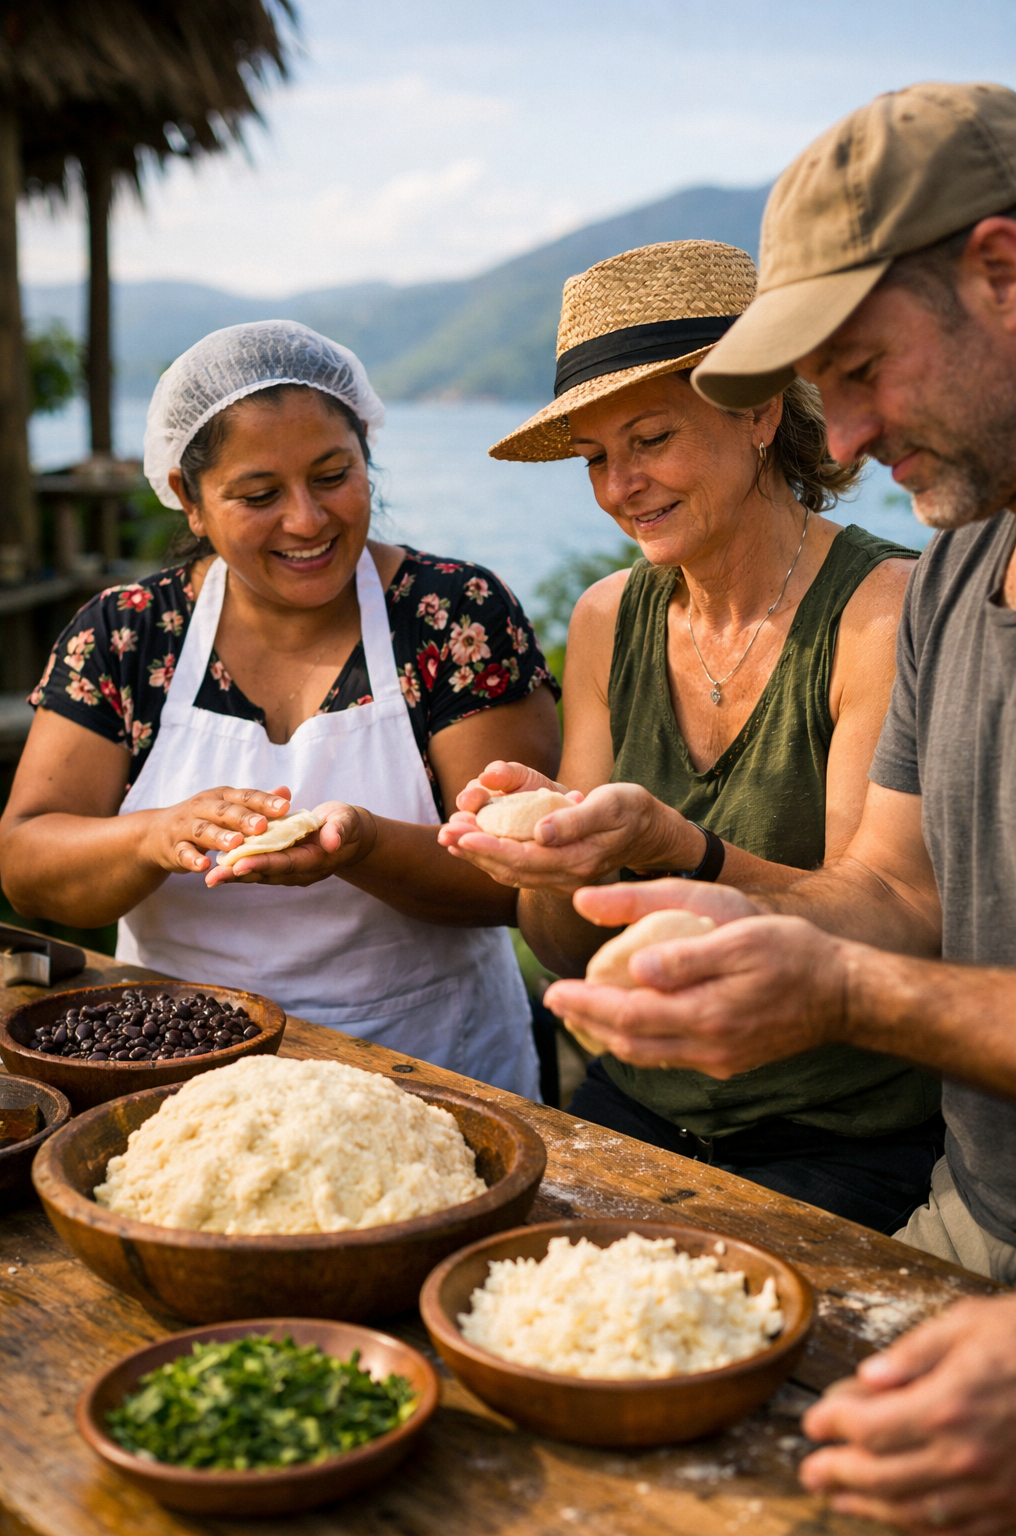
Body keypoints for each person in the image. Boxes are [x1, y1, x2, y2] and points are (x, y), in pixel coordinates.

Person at [543, 82, 1016, 1534]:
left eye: (861, 367)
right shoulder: (960, 565)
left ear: (1003, 273)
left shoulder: (882, 588)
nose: (850, 433)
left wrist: (843, 989)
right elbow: (886, 894)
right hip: (972, 1218)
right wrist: (655, 867)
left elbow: (883, 952)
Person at [439, 239, 945, 1234]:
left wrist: (675, 849)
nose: (620, 485)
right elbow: (568, 954)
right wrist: (548, 861)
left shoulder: (882, 611)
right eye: (594, 458)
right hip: (637, 1105)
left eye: (651, 439)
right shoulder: (603, 619)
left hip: (839, 1134)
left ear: (759, 411)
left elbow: (889, 912)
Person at [0, 321, 561, 1098]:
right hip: (177, 1066)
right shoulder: (128, 634)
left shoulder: (450, 615)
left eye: (333, 475)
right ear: (189, 502)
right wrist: (152, 836)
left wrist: (361, 846)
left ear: (366, 452)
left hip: (433, 1069)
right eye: (259, 495)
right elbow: (28, 863)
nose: (306, 520)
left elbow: (525, 882)